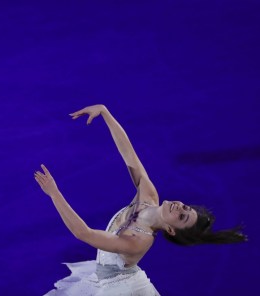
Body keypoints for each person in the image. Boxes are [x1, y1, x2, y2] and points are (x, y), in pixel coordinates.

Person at [34, 104, 247, 296]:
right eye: (186, 207)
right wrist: (105, 112)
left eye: (181, 216)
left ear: (171, 230)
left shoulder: (138, 241)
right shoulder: (148, 195)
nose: (179, 207)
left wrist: (54, 193)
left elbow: (84, 233)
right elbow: (128, 153)